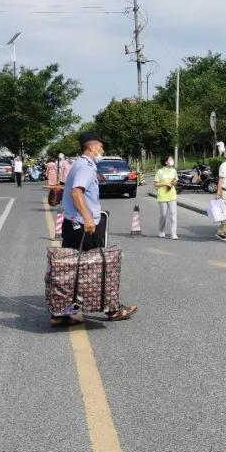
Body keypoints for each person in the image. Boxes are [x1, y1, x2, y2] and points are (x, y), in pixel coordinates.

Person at [58, 131, 137, 323]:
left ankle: (62, 312)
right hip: (83, 226)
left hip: (72, 224)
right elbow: (77, 193)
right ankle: (113, 310)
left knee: (72, 268)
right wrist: (87, 218)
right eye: (101, 146)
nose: (102, 150)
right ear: (92, 146)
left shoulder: (79, 164)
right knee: (97, 266)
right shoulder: (86, 166)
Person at [154, 155, 179, 240]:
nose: (172, 160)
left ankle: (173, 234)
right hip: (162, 196)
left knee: (173, 215)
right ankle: (161, 231)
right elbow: (155, 184)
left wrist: (174, 182)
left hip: (172, 195)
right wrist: (165, 184)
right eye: (170, 159)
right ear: (165, 162)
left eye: (172, 159)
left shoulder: (174, 171)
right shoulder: (160, 171)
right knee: (163, 215)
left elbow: (176, 180)